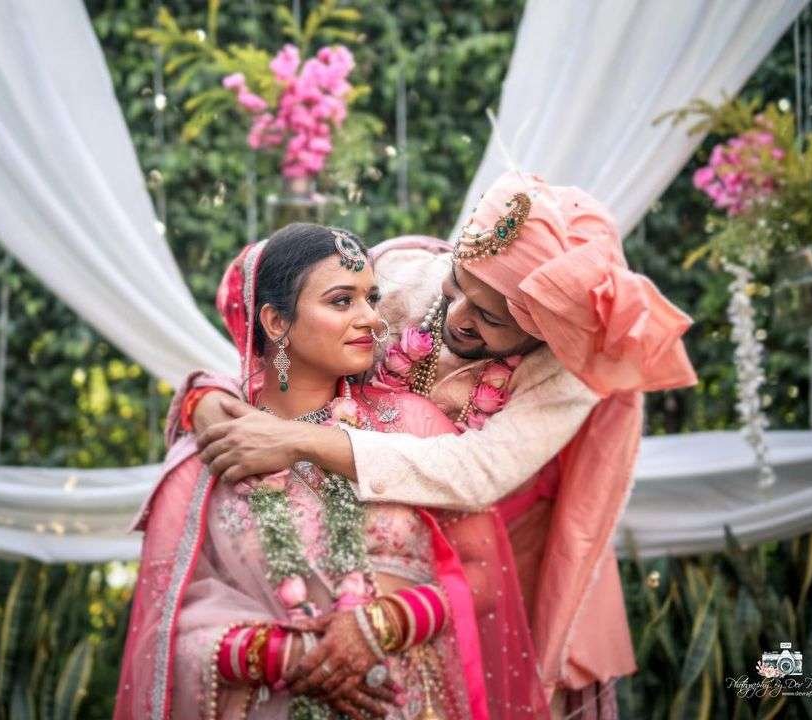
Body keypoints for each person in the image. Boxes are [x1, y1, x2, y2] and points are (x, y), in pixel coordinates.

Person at [184, 172, 698, 718]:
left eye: (490, 317)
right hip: (351, 537)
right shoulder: (402, 277)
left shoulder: (566, 370)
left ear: (547, 332)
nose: (456, 317)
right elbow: (284, 337)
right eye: (456, 285)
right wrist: (206, 394)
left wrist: (304, 442)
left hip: (500, 551)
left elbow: (477, 472)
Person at [114, 223, 549, 720]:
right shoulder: (215, 453)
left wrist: (381, 625)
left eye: (372, 298)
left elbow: (484, 575)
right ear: (276, 321)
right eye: (343, 301)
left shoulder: (413, 424)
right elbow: (168, 626)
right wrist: (291, 657)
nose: (372, 319)